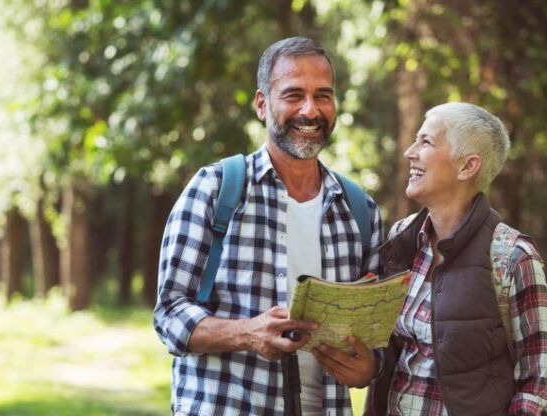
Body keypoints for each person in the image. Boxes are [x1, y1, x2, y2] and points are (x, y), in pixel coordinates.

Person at [153, 36, 383, 415]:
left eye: (323, 95)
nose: (310, 110)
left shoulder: (360, 209)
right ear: (262, 104)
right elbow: (169, 316)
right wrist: (247, 333)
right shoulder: (215, 189)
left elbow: (377, 336)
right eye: (294, 95)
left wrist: (370, 367)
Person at [314, 102, 547, 415]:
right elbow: (390, 353)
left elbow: (539, 382)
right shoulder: (402, 239)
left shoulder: (513, 258)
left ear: (467, 167)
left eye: (426, 141)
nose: (410, 152)